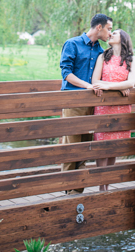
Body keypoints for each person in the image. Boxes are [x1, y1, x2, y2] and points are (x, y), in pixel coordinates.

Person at [59, 13, 113, 195]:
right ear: (99, 27)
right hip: (73, 102)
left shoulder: (101, 52)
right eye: (109, 29)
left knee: (84, 148)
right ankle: (67, 192)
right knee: (71, 148)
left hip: (92, 105)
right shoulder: (72, 44)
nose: (110, 33)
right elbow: (66, 73)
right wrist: (88, 85)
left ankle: (77, 192)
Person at [91, 29, 135, 192]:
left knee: (114, 146)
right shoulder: (103, 57)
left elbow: (131, 83)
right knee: (102, 146)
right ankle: (101, 186)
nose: (111, 34)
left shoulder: (132, 60)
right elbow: (96, 81)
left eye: (115, 33)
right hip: (104, 106)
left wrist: (109, 85)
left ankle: (107, 183)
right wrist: (120, 87)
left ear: (123, 39)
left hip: (121, 109)